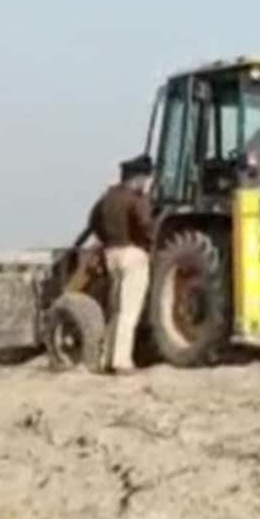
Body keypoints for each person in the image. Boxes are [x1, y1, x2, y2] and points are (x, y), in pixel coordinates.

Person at [79, 154, 155, 374]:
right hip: (133, 254)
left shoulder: (108, 198)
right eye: (145, 179)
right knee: (129, 311)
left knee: (115, 309)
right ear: (138, 178)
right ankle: (122, 362)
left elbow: (93, 221)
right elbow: (145, 224)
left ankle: (106, 358)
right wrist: (149, 243)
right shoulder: (136, 199)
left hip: (111, 254)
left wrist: (106, 240)